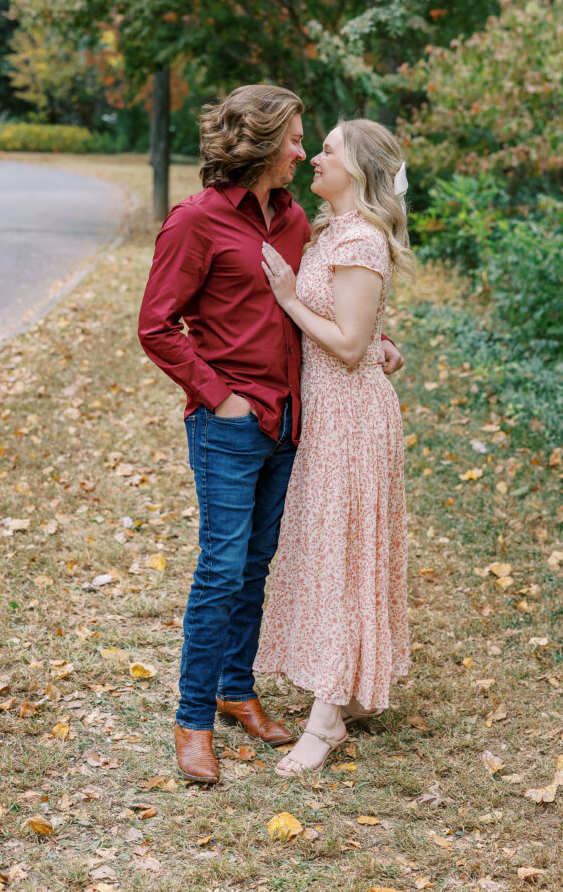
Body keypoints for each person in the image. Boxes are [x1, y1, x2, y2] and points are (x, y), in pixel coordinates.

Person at [138, 86, 403, 784]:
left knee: (256, 567)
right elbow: (155, 326)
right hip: (230, 422)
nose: (300, 150)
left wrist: (375, 339)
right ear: (259, 145)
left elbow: (331, 299)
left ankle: (235, 690)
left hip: (293, 420)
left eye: (308, 142)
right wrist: (218, 397)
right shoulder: (194, 222)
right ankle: (192, 719)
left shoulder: (292, 221)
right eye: (292, 139)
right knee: (220, 570)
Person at [253, 118, 414, 775]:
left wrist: (288, 297)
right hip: (325, 413)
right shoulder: (333, 232)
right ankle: (338, 688)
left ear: (359, 170)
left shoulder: (362, 240)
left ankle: (325, 721)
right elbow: (358, 333)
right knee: (328, 549)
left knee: (343, 556)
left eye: (326, 150)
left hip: (350, 419)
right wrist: (376, 341)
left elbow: (345, 345)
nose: (313, 157)